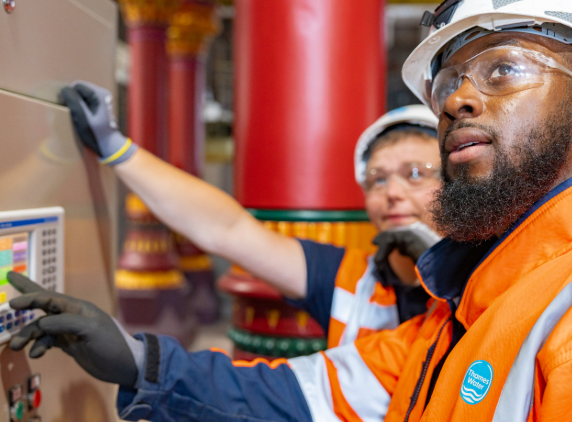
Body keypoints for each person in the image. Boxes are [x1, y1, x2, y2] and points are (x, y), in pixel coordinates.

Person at [9, 0, 572, 422]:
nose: (460, 100)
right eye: (376, 179)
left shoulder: (549, 309)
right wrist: (138, 360)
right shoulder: (440, 312)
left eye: (505, 70)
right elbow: (309, 388)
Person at [58, 82, 442, 347]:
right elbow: (228, 229)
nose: (391, 192)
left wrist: (444, 272)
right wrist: (116, 150)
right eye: (376, 179)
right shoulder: (348, 281)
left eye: (414, 174)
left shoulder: (484, 288)